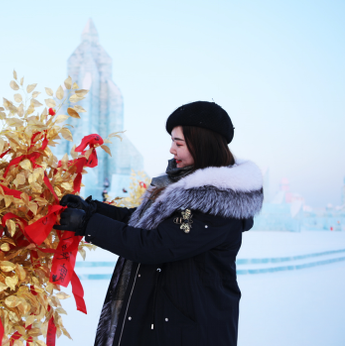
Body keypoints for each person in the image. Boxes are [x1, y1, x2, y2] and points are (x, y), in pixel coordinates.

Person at [54, 101, 264, 346]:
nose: (172, 150)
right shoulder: (183, 186)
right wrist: (92, 209)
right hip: (163, 319)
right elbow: (143, 220)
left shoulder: (218, 201)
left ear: (203, 144)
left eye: (179, 143)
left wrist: (88, 223)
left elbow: (153, 245)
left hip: (191, 330)